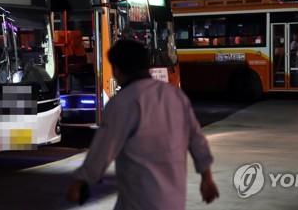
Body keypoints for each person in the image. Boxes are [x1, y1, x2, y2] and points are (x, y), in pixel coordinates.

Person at [66, 39, 219, 209]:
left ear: (117, 69)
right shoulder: (175, 95)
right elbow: (197, 139)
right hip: (173, 201)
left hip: (139, 201)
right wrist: (207, 179)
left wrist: (81, 181)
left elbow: (103, 149)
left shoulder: (122, 102)